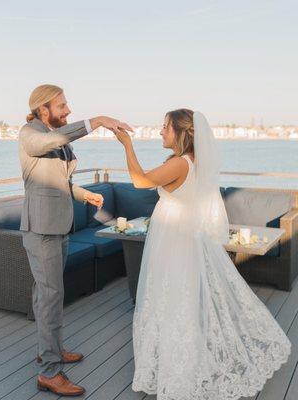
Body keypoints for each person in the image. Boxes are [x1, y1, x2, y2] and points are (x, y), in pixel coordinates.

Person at [114, 108, 291, 400]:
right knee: (180, 301)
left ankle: (180, 373)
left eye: (165, 127)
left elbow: (140, 181)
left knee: (171, 301)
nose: (160, 131)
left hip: (172, 242)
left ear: (181, 132)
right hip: (178, 238)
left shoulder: (181, 164)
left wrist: (128, 145)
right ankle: (181, 364)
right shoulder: (191, 161)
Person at [19, 84, 132, 396]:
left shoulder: (56, 141)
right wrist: (94, 121)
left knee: (47, 295)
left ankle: (49, 349)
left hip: (59, 227)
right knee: (51, 295)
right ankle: (50, 372)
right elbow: (55, 139)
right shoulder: (30, 134)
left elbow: (61, 183)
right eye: (62, 106)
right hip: (41, 229)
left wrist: (86, 195)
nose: (67, 110)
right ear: (44, 109)